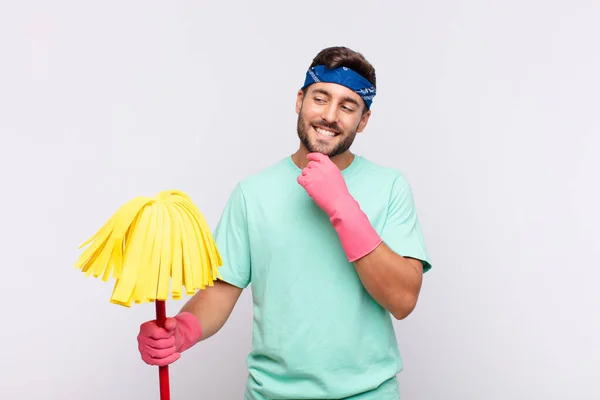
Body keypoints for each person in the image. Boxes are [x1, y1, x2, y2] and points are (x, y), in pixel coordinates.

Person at [137, 46, 432, 400]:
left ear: (363, 121)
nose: (330, 116)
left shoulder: (390, 187)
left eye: (347, 106)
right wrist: (182, 330)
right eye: (320, 98)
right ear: (299, 101)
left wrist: (342, 206)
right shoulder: (252, 192)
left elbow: (402, 300)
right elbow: (221, 289)